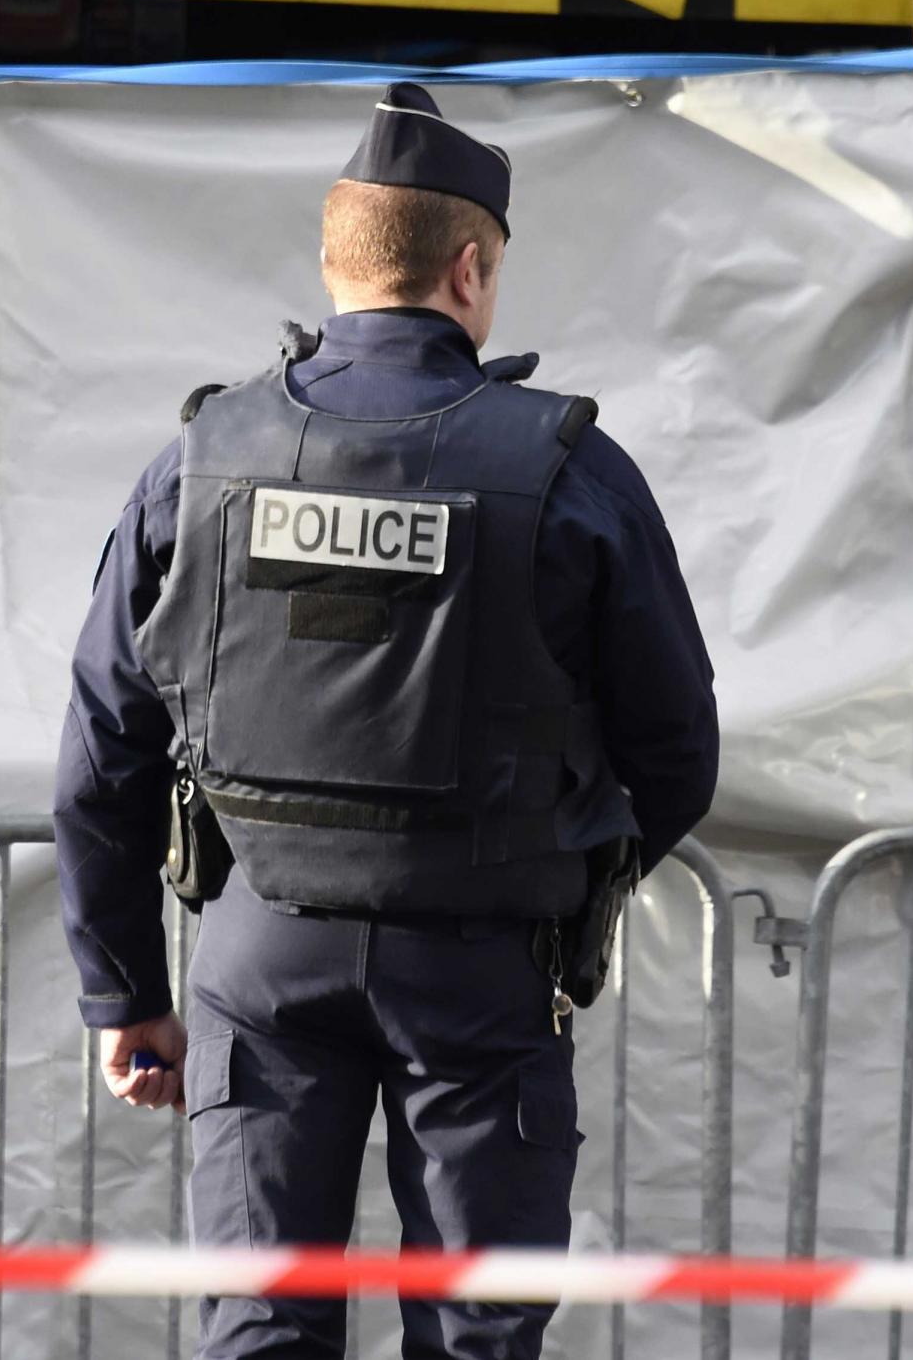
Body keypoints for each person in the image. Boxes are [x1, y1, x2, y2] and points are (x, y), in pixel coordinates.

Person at [53, 82, 719, 1360]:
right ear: (470, 267)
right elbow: (676, 752)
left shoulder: (201, 460)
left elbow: (102, 747)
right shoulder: (569, 469)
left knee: (258, 1330)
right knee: (475, 1336)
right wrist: (569, 872)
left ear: (335, 261)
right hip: (483, 963)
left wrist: (122, 990)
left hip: (259, 956)